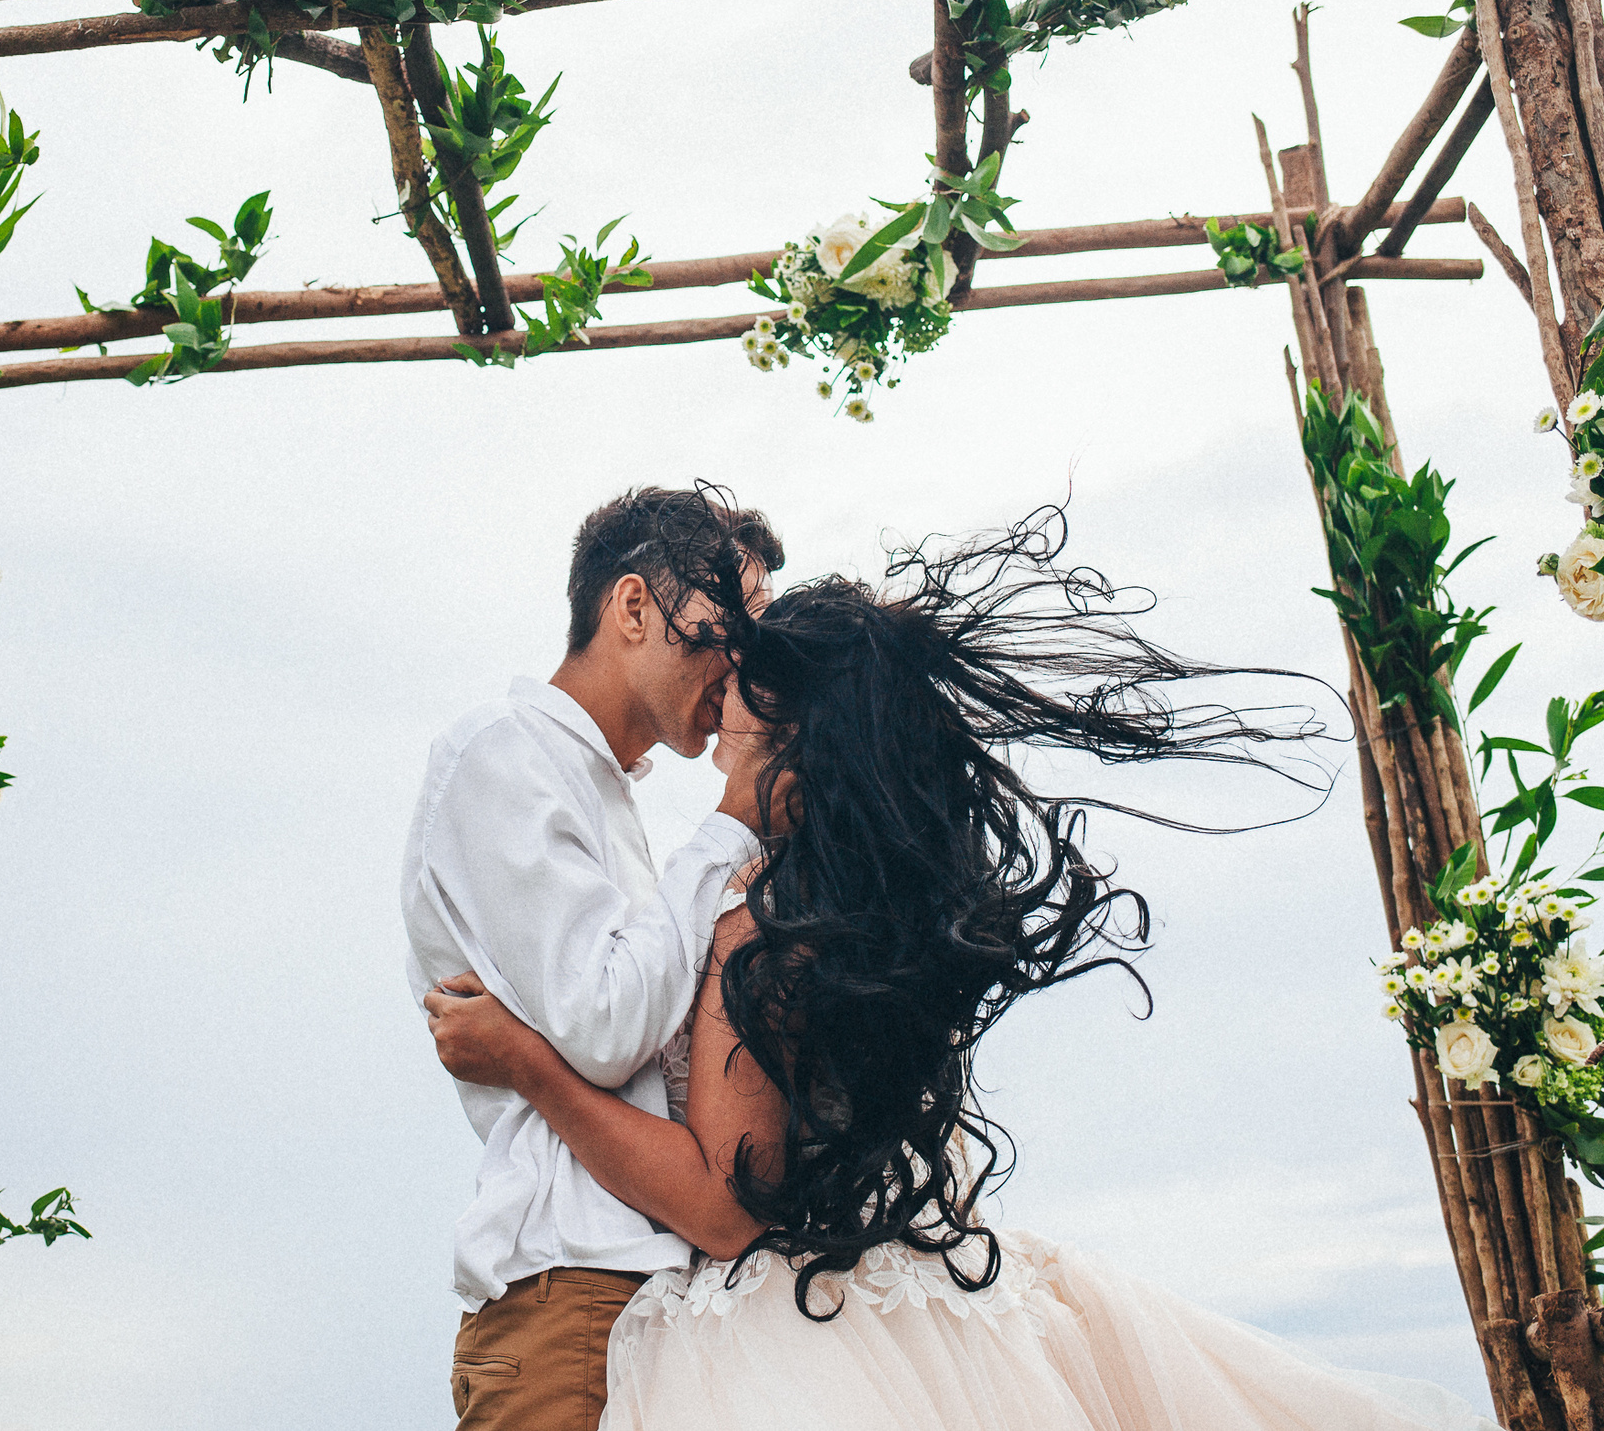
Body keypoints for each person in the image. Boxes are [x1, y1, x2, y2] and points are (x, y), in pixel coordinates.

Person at [424, 516, 1496, 1431]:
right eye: (722, 639)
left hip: (773, 1331)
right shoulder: (865, 911)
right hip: (899, 1304)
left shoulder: (763, 924)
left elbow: (722, 1205)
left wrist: (529, 1066)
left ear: (787, 725)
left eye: (745, 668)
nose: (724, 678)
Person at [402, 484, 786, 1431]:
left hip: (630, 1284)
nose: (743, 666)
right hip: (571, 1287)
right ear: (630, 608)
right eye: (725, 628)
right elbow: (609, 1025)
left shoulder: (599, 792)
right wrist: (734, 821)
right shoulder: (505, 754)